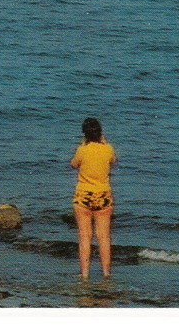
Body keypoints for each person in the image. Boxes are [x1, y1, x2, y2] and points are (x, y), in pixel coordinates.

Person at [70, 116, 117, 280]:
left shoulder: (81, 150)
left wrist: (83, 145)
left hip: (84, 195)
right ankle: (106, 273)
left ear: (85, 134)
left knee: (84, 236)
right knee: (103, 236)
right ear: (100, 133)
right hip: (103, 194)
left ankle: (84, 274)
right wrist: (104, 143)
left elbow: (74, 164)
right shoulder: (108, 149)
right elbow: (113, 161)